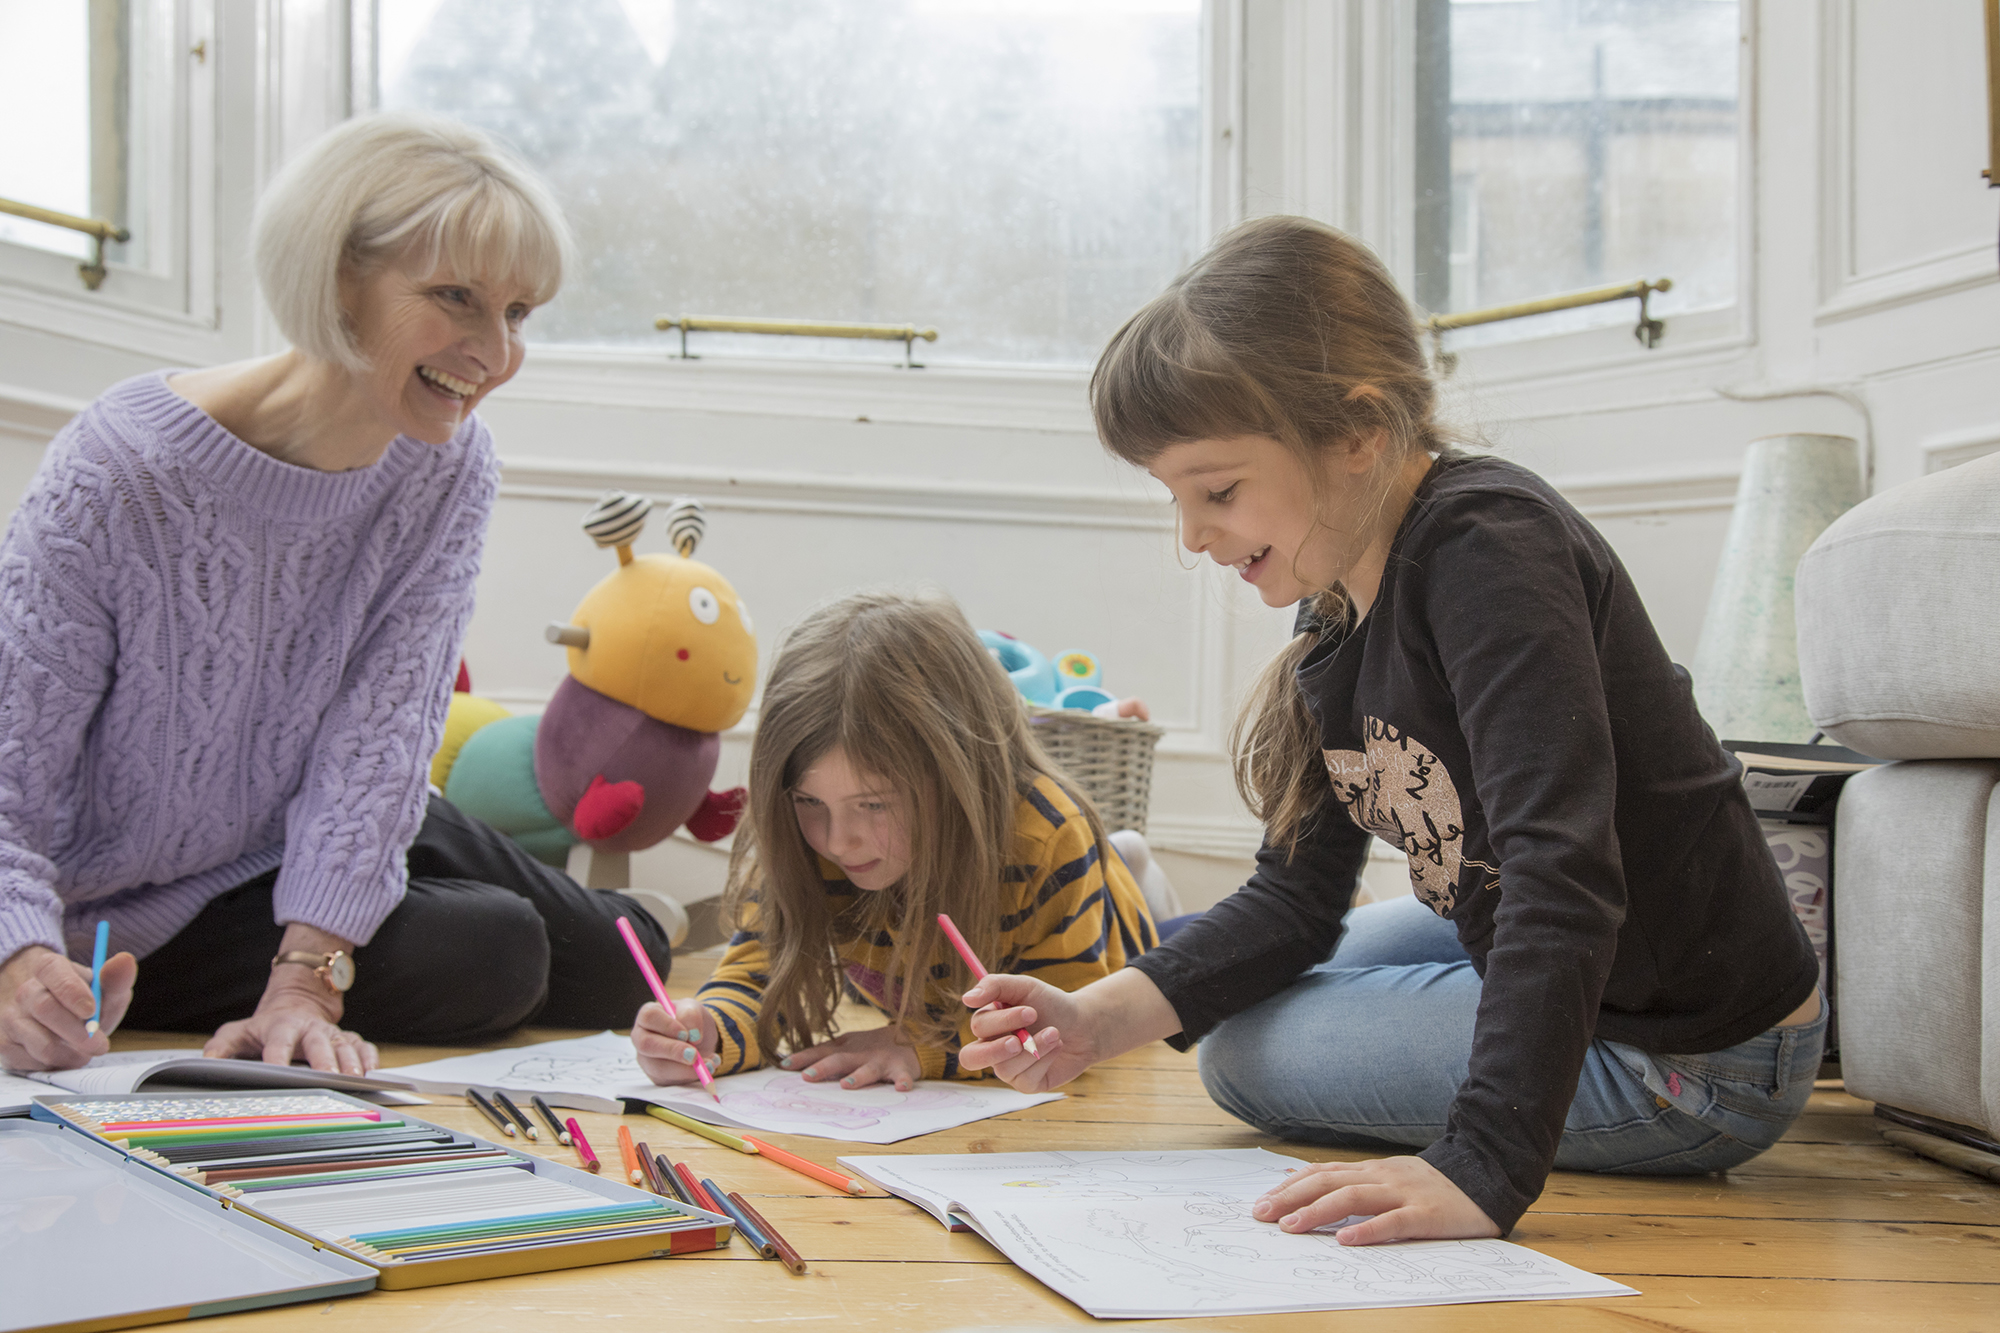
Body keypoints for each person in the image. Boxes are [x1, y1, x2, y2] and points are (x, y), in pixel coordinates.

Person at [956, 215, 1826, 1247]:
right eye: (1174, 498)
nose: (1190, 536)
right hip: (1577, 960)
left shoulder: (1486, 552)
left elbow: (1562, 871)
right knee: (1244, 980)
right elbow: (1294, 896)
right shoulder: (1330, 601)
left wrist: (1481, 1165)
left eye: (1217, 491)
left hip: (1698, 1057)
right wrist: (1089, 1022)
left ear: (1357, 432)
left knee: (1237, 1053)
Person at [0, 113, 677, 1076]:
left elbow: (382, 730)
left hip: (309, 809)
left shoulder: (448, 464)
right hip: (139, 894)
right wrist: (18, 961)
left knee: (632, 970)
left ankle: (651, 920)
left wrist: (309, 977)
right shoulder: (115, 472)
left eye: (518, 313)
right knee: (497, 953)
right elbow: (7, 784)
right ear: (337, 276)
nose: (495, 352)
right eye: (457, 298)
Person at [631, 588, 1159, 1091]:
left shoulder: (1046, 834)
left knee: (1172, 931)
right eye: (809, 801)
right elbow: (759, 975)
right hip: (934, 988)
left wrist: (920, 1047)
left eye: (874, 804)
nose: (839, 843)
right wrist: (709, 1033)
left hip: (1121, 938)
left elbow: (1061, 1029)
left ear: (958, 778)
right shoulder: (801, 837)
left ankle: (1133, 868)